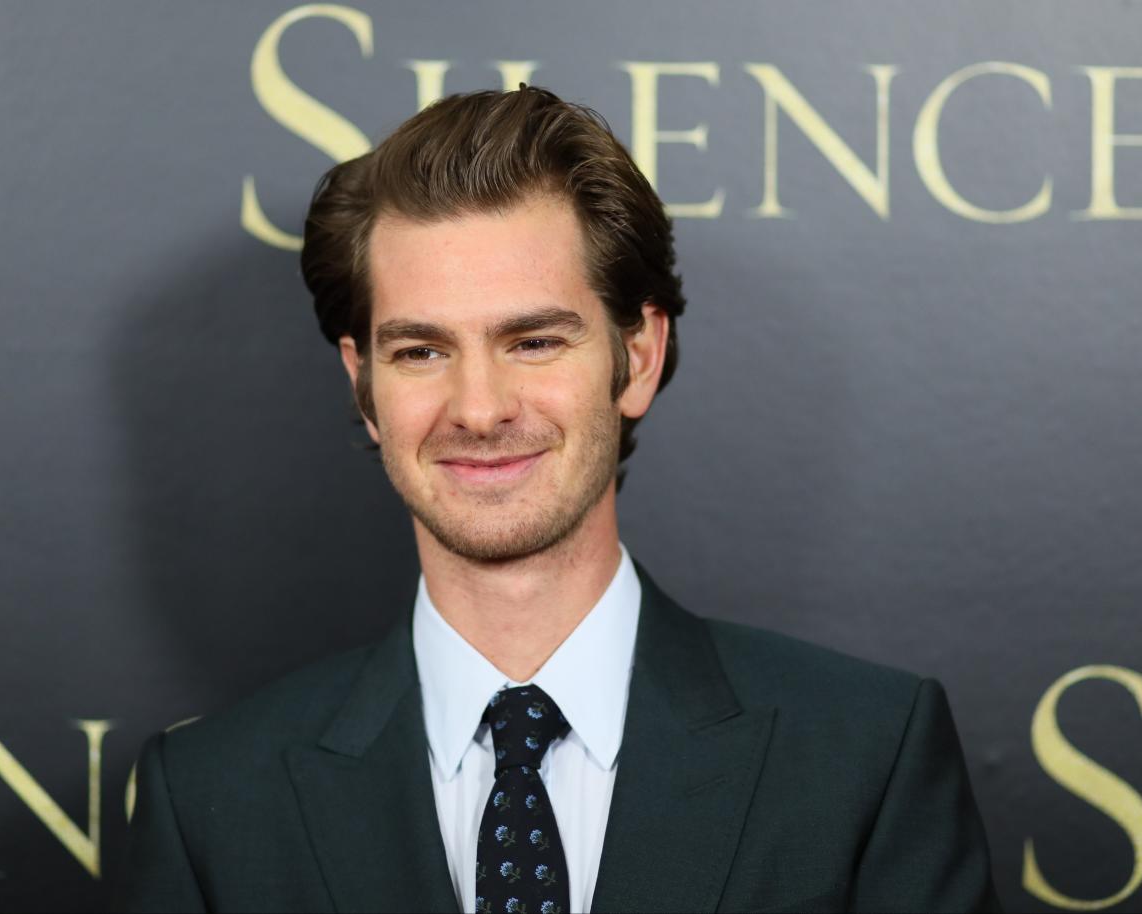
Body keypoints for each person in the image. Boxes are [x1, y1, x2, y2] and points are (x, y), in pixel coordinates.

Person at [117, 86, 1000, 913]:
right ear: (363, 384)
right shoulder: (209, 798)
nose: (478, 408)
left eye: (533, 341)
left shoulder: (862, 757)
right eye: (420, 351)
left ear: (638, 358)